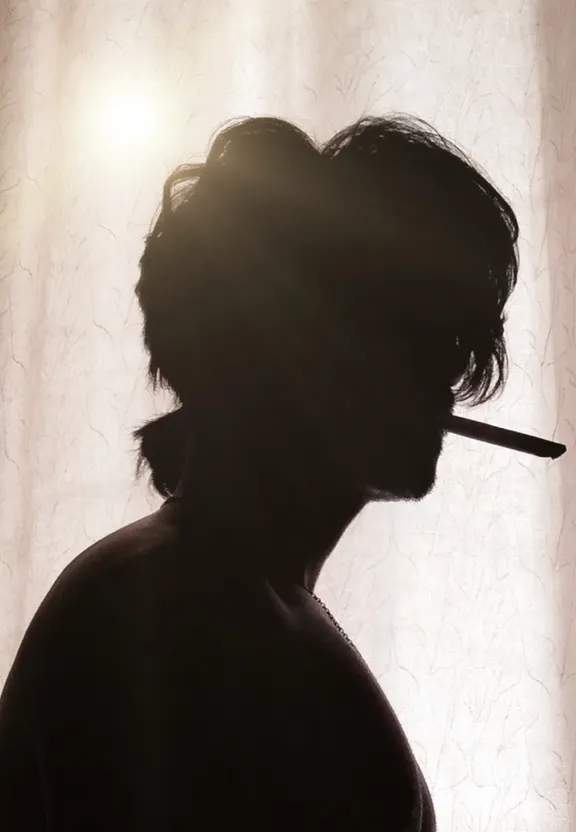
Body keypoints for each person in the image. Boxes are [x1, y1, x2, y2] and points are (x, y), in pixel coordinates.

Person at [0, 114, 519, 829]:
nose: (449, 375)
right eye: (413, 328)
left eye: (454, 339)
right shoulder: (174, 611)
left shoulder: (228, 594)